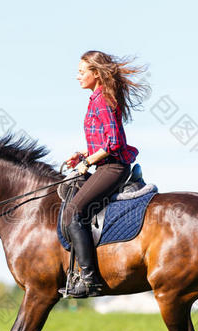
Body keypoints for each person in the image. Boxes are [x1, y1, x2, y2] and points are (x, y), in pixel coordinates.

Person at [61, 50, 150, 298]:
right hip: (104, 165)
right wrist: (81, 156)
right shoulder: (95, 98)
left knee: (73, 212)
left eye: (81, 72)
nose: (77, 76)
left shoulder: (103, 100)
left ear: (96, 74)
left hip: (113, 167)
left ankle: (89, 279)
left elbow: (112, 143)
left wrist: (87, 162)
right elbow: (102, 142)